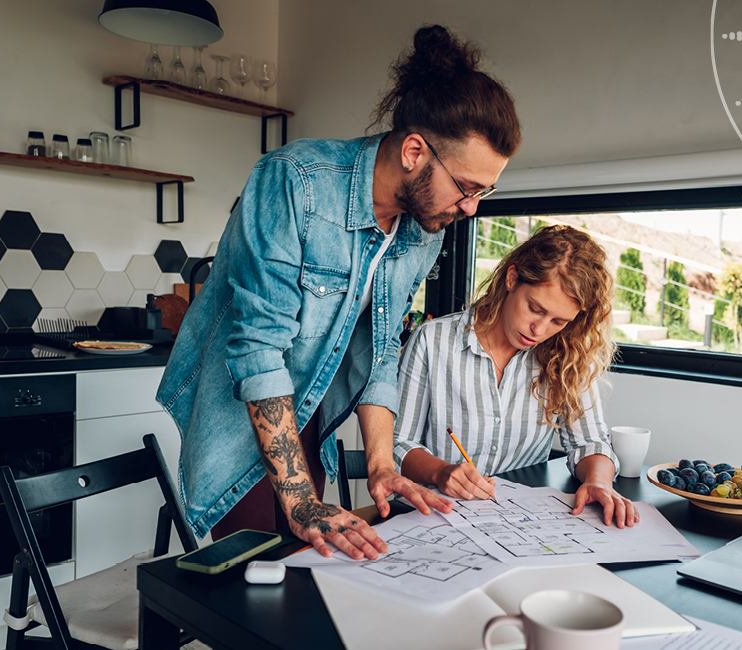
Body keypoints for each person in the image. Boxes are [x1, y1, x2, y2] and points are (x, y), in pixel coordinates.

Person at [157, 24, 521, 560]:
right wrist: (300, 499)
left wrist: (381, 464)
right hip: (241, 415)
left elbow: (382, 349)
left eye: (484, 191)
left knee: (308, 573)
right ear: (415, 151)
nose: (470, 208)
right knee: (259, 586)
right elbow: (258, 348)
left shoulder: (421, 229)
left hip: (307, 415)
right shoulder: (295, 182)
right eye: (467, 188)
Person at [393, 225, 639, 528]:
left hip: (517, 522)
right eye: (535, 308)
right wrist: (440, 472)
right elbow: (399, 444)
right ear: (512, 279)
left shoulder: (568, 355)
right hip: (435, 515)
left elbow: (589, 443)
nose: (540, 329)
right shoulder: (433, 340)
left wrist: (599, 481)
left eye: (558, 321)